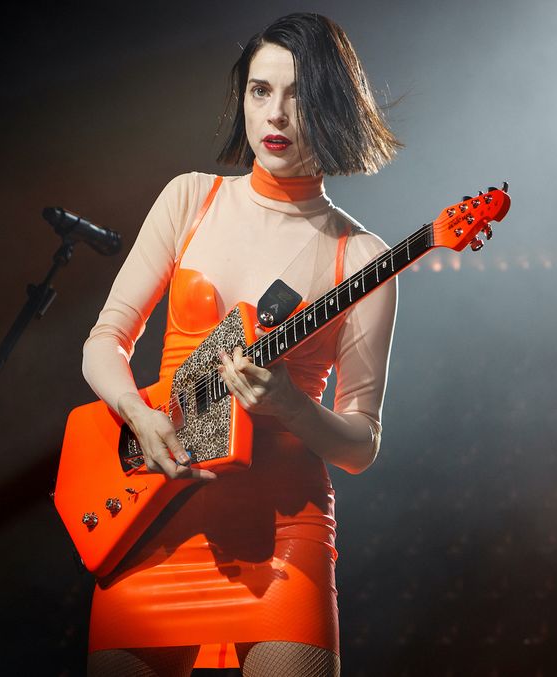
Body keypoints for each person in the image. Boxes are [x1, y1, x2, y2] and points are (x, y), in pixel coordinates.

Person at [80, 12, 401, 677]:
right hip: (150, 523)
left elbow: (361, 443)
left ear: (332, 105)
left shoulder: (361, 256)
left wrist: (289, 405)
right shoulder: (189, 198)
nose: (275, 113)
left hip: (286, 535)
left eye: (299, 94)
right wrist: (138, 415)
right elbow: (104, 341)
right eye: (260, 90)